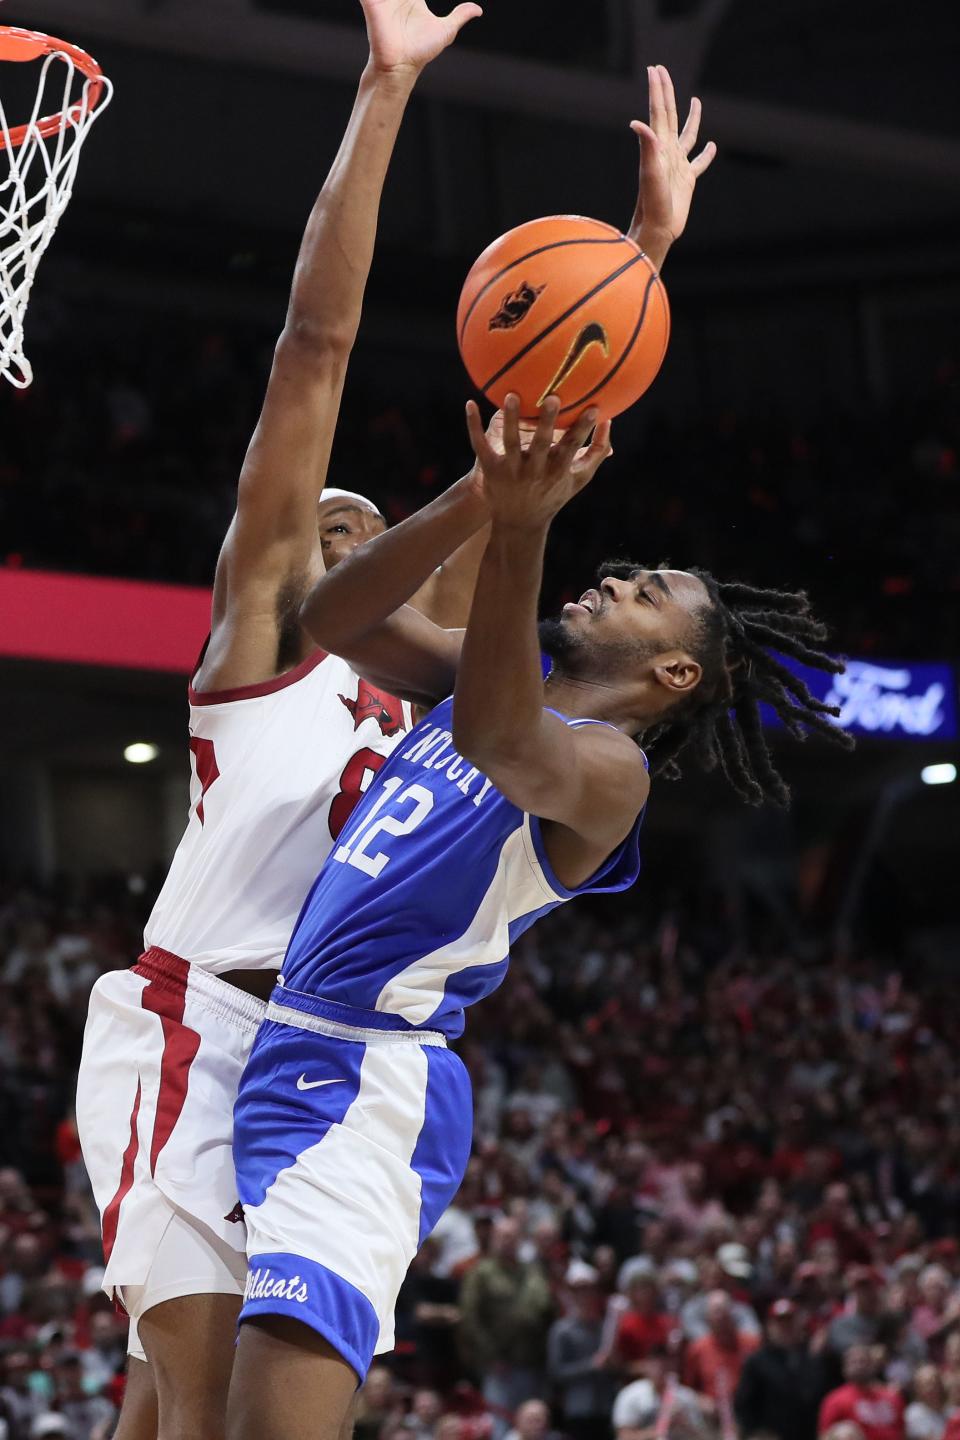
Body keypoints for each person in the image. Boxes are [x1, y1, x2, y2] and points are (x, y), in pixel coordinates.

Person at [224, 201, 856, 1440]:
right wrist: (479, 496)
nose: (619, 576)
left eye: (651, 592)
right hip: (287, 1055)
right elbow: (339, 619)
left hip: (364, 1082)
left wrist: (524, 529)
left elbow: (499, 740)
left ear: (677, 675)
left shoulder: (610, 768)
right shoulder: (487, 668)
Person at [72, 3, 489, 1439]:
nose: (338, 515)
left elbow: (548, 435)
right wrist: (384, 88)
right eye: (319, 516)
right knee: (193, 1401)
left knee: (199, 1411)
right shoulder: (265, 652)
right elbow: (314, 347)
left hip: (341, 1057)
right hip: (199, 1023)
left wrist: (645, 259)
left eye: (366, 521)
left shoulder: (451, 695)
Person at [458, 1217, 554, 1436]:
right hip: (499, 1366)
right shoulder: (481, 1273)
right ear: (492, 1239)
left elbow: (545, 1308)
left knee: (532, 1425)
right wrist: (490, 1356)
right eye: (501, 1236)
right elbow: (470, 1318)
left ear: (520, 1240)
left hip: (532, 1361)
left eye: (511, 1237)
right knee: (501, 1425)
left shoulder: (532, 1272)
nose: (506, 1242)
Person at [735, 1299, 829, 1440]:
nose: (786, 1328)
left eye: (790, 1322)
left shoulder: (815, 1360)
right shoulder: (756, 1362)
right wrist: (756, 1433)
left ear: (800, 1324)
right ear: (769, 1327)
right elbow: (743, 1406)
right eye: (780, 1323)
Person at [547, 1261, 618, 1440]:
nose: (585, 1295)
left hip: (606, 1408)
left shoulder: (605, 1327)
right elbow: (557, 1372)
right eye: (579, 1290)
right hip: (578, 1410)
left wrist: (614, 1364)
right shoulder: (562, 1330)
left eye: (588, 1290)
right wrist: (591, 1365)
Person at [612, 1347, 710, 1440]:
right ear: (647, 1366)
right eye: (657, 1365)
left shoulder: (685, 1397)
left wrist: (683, 1423)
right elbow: (624, 1436)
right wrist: (656, 1431)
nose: (661, 1370)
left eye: (666, 1366)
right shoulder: (631, 1395)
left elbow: (701, 1437)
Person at [818, 1345, 905, 1440]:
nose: (859, 1366)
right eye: (853, 1362)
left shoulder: (892, 1397)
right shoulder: (835, 1400)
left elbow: (902, 1432)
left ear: (873, 1366)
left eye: (863, 1361)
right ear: (844, 1369)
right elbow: (825, 1435)